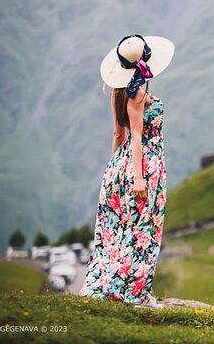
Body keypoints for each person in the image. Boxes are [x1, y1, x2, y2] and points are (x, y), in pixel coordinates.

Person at [79, 34, 175, 308]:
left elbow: (116, 134)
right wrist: (138, 177)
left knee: (115, 228)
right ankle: (134, 292)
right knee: (144, 228)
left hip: (119, 165)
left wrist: (115, 172)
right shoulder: (138, 95)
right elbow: (135, 137)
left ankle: (111, 283)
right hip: (143, 164)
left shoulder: (117, 93)